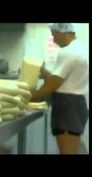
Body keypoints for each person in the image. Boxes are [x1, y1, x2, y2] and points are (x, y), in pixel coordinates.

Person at [30, 23, 89, 154]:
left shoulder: (69, 51)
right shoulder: (78, 49)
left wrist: (31, 96)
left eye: (54, 35)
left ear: (62, 32)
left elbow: (54, 83)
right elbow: (63, 79)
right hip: (73, 105)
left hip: (69, 106)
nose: (54, 40)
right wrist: (45, 73)